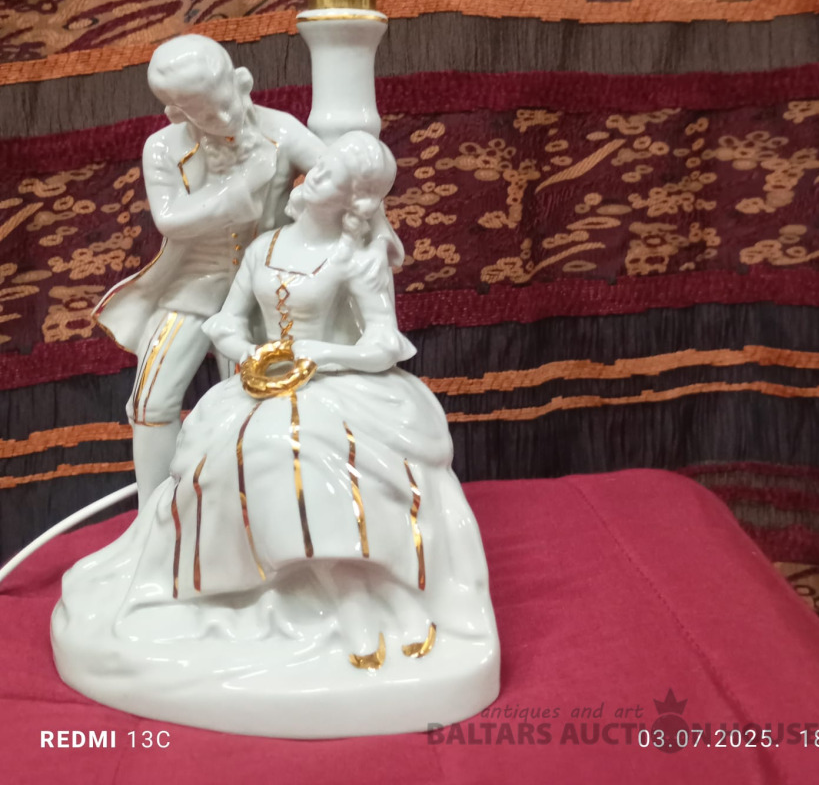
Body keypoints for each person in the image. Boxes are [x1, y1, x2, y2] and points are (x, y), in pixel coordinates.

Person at [54, 133, 496, 711]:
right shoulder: (264, 247)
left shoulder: (355, 257)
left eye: (333, 174)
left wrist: (317, 357)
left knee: (305, 448)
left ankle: (371, 597)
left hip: (335, 385)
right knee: (251, 451)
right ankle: (357, 600)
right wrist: (248, 354)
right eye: (321, 165)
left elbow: (383, 343)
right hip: (258, 384)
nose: (315, 175)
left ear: (354, 199)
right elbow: (227, 322)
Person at [93, 34, 324, 506]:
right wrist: (238, 189)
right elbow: (170, 219)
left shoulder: (282, 130)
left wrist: (309, 204)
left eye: (226, 104)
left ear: (242, 82)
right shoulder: (162, 148)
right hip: (193, 287)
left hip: (260, 295)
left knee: (255, 400)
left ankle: (254, 511)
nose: (224, 119)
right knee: (151, 400)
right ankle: (155, 519)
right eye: (206, 114)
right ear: (176, 112)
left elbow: (337, 175)